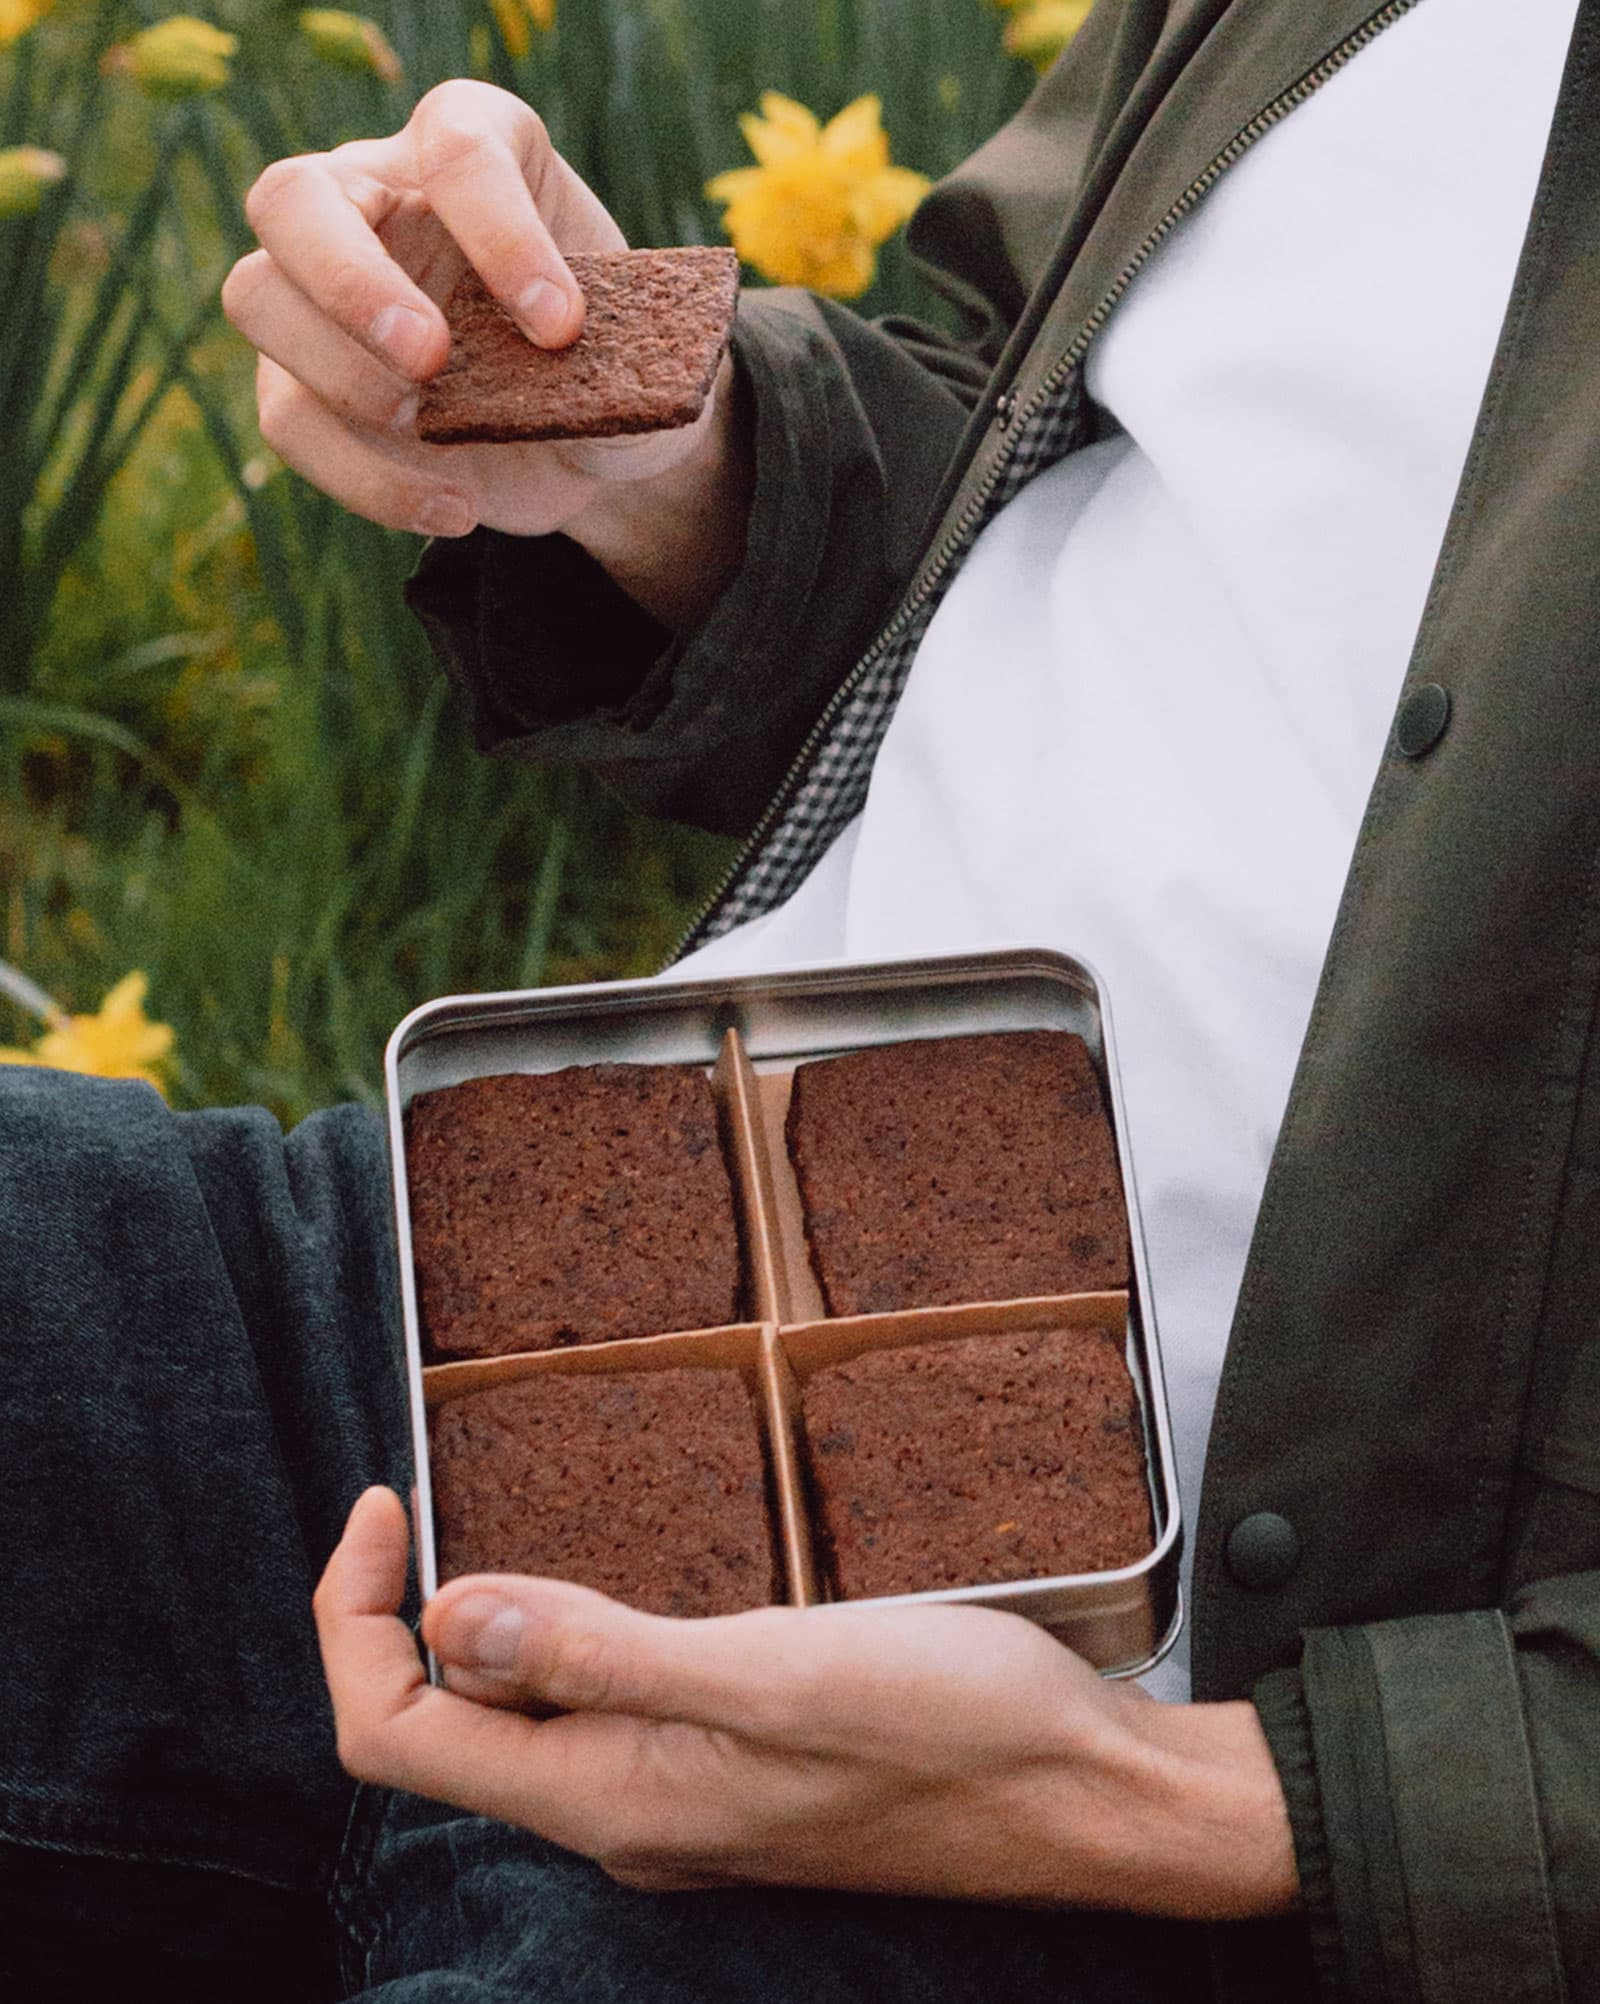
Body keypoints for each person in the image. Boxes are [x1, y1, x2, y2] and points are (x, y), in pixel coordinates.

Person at [5, 0, 1598, 1997]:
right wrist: (644, 442)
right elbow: (1012, 452)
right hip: (553, 1279)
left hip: (1134, 1758)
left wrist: (1177, 1808)